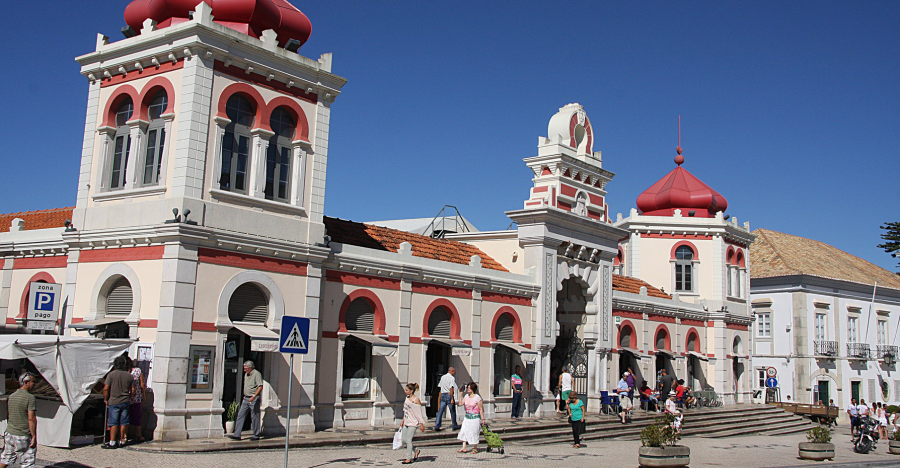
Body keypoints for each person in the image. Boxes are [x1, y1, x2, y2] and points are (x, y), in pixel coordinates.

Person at [0, 372, 37, 468]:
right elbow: (31, 418)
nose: (34, 384)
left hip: (10, 433)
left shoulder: (12, 396)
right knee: (27, 462)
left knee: (6, 458)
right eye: (33, 381)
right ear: (26, 382)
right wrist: (33, 436)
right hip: (22, 434)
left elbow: (9, 415)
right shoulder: (30, 398)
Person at [103, 355, 133, 449]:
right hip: (125, 401)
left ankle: (112, 442)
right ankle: (121, 440)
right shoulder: (129, 376)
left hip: (114, 400)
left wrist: (105, 399)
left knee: (113, 422)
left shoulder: (111, 375)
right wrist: (130, 397)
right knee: (124, 421)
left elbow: (106, 388)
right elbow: (133, 389)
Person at [228, 360, 263, 441]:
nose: (244, 370)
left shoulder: (257, 374)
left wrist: (254, 396)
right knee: (240, 415)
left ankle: (256, 435)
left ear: (251, 368)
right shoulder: (246, 374)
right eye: (244, 368)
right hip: (246, 398)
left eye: (246, 368)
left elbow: (260, 386)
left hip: (253, 398)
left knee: (254, 416)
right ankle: (237, 434)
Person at [400, 383, 426, 464]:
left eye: (407, 390)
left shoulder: (416, 400)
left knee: (408, 440)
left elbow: (419, 413)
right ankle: (416, 450)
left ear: (411, 391)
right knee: (403, 440)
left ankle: (408, 458)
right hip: (406, 421)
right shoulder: (407, 398)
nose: (405, 391)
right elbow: (406, 410)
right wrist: (402, 420)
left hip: (413, 422)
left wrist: (421, 424)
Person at [457, 382, 484, 454]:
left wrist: (483, 419)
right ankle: (464, 447)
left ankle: (475, 448)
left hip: (475, 418)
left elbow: (481, 409)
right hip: (467, 417)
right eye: (467, 388)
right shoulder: (466, 396)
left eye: (469, 388)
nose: (467, 389)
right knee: (464, 431)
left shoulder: (477, 398)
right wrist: (461, 395)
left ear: (472, 389)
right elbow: (460, 404)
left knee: (474, 432)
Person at [127, 357, 145, 443]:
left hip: (125, 397)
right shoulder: (138, 371)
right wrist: (143, 394)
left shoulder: (123, 372)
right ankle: (138, 435)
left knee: (125, 417)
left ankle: (124, 435)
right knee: (137, 417)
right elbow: (142, 384)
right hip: (136, 398)